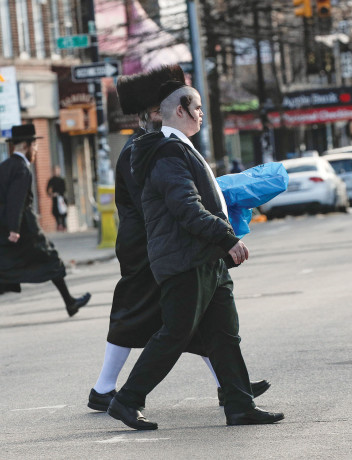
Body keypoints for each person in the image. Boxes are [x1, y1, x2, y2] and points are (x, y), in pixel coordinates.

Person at [88, 67, 269, 412]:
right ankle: (111, 392)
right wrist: (218, 231)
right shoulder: (150, 149)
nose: (196, 114)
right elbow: (173, 202)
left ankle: (234, 393)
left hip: (172, 245)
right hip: (151, 246)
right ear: (156, 113)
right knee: (160, 323)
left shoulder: (157, 146)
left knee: (206, 324)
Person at [0, 124, 91, 327]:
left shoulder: (3, 167)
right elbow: (17, 200)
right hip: (23, 226)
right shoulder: (21, 169)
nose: (36, 150)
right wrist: (14, 229)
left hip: (0, 222)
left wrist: (6, 224)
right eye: (34, 145)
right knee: (50, 259)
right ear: (25, 146)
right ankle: (70, 303)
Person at [46, 165, 67, 231]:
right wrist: (51, 194)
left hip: (61, 199)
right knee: (55, 212)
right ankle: (59, 224)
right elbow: (48, 189)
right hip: (55, 199)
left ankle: (63, 225)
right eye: (54, 171)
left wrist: (58, 193)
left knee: (63, 212)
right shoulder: (51, 180)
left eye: (57, 170)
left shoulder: (61, 180)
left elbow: (64, 189)